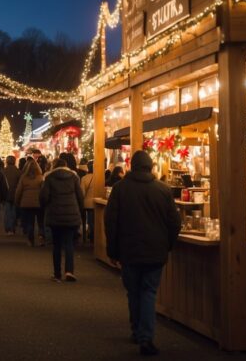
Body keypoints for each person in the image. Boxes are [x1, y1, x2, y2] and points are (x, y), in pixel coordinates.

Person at [105, 151, 181, 356]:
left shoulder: (120, 189)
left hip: (128, 250)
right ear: (151, 167)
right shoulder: (163, 190)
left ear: (132, 166)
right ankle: (146, 336)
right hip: (155, 250)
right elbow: (174, 222)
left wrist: (112, 250)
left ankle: (137, 330)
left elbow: (110, 221)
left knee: (133, 291)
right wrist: (167, 244)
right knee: (148, 291)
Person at [40, 158, 84, 282]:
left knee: (57, 244)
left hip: (55, 214)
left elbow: (44, 197)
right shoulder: (74, 177)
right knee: (69, 243)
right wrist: (78, 211)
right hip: (71, 214)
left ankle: (57, 274)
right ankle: (69, 271)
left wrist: (45, 207)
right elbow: (80, 196)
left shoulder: (49, 178)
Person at [16, 159, 45, 247]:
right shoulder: (41, 177)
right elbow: (44, 190)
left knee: (29, 222)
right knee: (40, 221)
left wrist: (17, 201)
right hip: (39, 202)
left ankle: (30, 239)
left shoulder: (24, 178)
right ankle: (41, 237)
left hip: (26, 203)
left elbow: (18, 191)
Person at [2, 155, 22, 235]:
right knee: (14, 212)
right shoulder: (18, 172)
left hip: (6, 194)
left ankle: (8, 228)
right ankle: (12, 228)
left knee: (7, 212)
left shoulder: (3, 171)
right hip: (15, 194)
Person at [80, 160, 96, 243]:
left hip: (87, 203)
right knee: (96, 220)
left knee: (90, 221)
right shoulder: (100, 177)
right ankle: (94, 236)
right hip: (97, 203)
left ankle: (90, 237)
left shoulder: (84, 178)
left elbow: (82, 192)